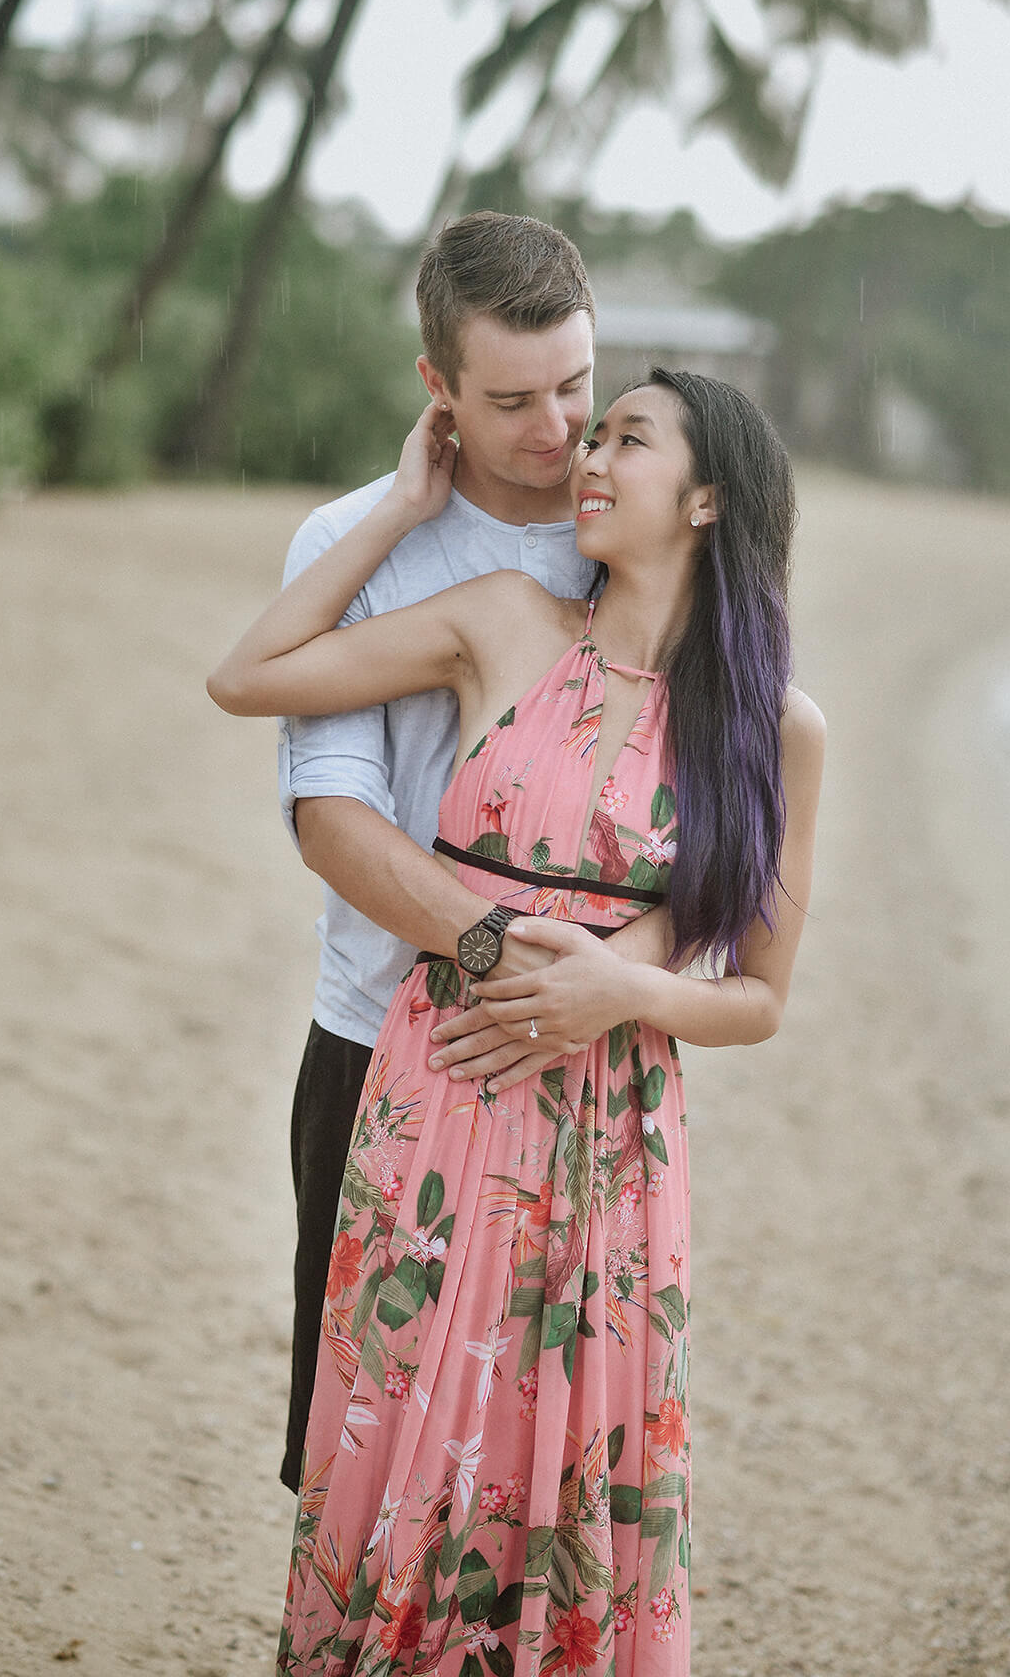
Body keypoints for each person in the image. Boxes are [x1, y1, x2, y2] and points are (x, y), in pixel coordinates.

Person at [209, 368, 825, 1675]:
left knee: (563, 1467)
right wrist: (397, 506)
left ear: (709, 496)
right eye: (590, 436)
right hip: (439, 1098)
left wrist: (626, 991)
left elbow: (761, 997)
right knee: (408, 1449)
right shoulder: (501, 621)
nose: (588, 457)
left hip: (613, 1141)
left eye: (627, 439)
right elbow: (248, 674)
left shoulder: (772, 728)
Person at [273, 212, 674, 1494]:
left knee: (542, 1465)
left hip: (583, 1058)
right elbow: (330, 818)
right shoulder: (358, 546)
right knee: (356, 1453)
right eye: (510, 400)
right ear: (434, 386)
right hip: (375, 1036)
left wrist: (602, 983)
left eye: (577, 385)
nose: (558, 432)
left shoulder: (635, 531)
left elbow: (713, 825)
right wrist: (495, 955)